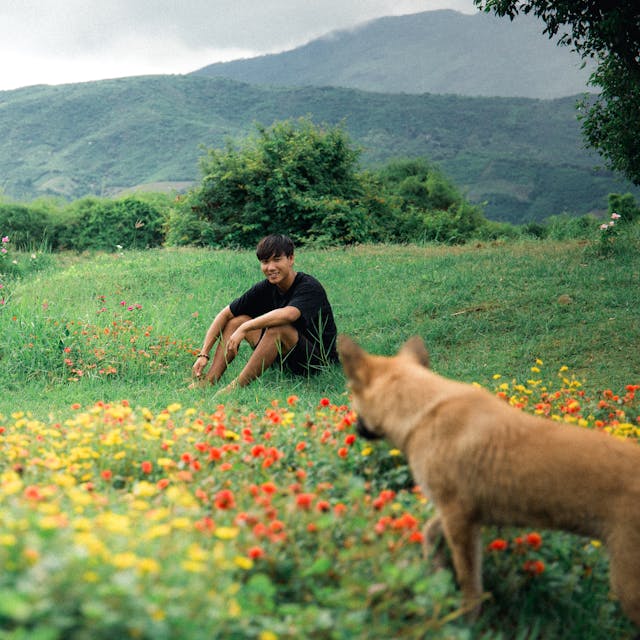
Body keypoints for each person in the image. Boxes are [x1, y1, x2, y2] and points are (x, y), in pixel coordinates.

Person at [192, 234, 339, 393]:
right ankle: (209, 381)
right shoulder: (266, 287)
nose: (270, 267)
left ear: (290, 259)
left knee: (278, 327)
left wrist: (246, 328)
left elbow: (288, 315)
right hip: (286, 358)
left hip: (317, 363)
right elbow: (225, 314)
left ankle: (233, 389)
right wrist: (203, 354)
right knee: (236, 321)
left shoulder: (309, 286)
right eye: (265, 262)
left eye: (277, 260)